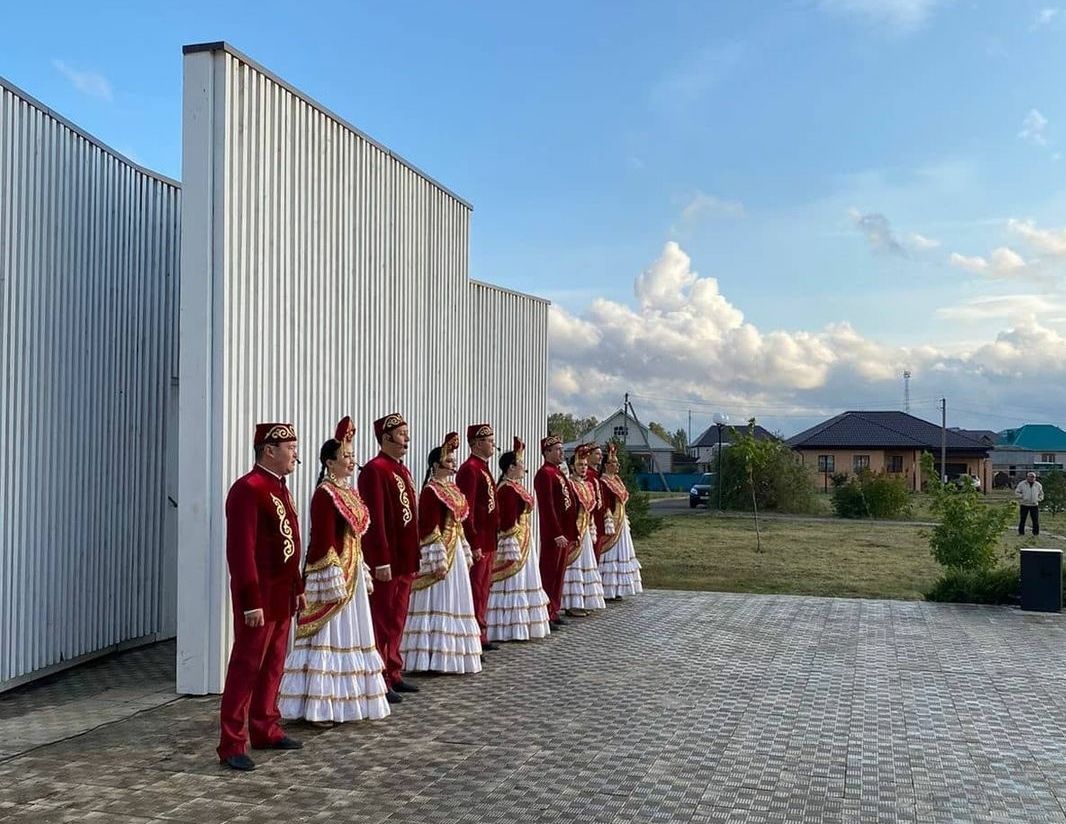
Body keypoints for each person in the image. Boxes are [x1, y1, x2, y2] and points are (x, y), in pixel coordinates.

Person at [278, 416, 390, 727]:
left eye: (353, 456)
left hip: (351, 571)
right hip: (333, 574)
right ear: (330, 462)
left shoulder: (348, 492)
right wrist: (329, 577)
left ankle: (347, 701)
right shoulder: (325, 494)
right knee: (327, 636)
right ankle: (321, 705)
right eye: (346, 457)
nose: (352, 462)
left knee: (351, 633)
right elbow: (323, 539)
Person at [217, 423, 306, 772]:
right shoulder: (248, 489)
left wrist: (297, 589)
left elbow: (291, 546)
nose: (295, 454)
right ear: (269, 449)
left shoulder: (279, 488)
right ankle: (231, 743)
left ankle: (266, 727)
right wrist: (251, 600)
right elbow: (241, 551)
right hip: (260, 598)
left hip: (282, 595)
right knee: (246, 668)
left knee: (273, 666)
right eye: (290, 447)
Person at [400, 433, 483, 674]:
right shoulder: (431, 490)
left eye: (454, 460)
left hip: (454, 546)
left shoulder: (453, 490)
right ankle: (429, 656)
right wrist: (437, 556)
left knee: (456, 597)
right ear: (437, 464)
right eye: (449, 460)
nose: (453, 463)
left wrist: (464, 546)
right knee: (436, 598)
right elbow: (429, 526)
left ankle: (451, 655)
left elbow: (459, 522)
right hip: (441, 550)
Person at [358, 413, 421, 703]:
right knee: (382, 619)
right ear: (386, 437)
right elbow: (376, 519)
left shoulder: (401, 469)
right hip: (388, 560)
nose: (406, 438)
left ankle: (394, 671)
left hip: (406, 558)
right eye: (401, 434)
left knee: (397, 618)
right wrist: (380, 560)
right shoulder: (374, 470)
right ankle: (381, 676)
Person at [487, 437, 551, 642]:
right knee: (512, 581)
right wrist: (510, 540)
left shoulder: (514, 487)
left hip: (525, 536)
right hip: (514, 539)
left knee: (524, 579)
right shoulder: (506, 488)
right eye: (521, 464)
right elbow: (506, 519)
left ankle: (520, 625)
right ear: (511, 467)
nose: (524, 468)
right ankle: (507, 628)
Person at [456, 423, 500, 650]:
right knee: (475, 589)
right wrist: (473, 541)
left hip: (489, 539)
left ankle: (481, 633)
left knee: (484, 588)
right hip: (479, 540)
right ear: (478, 443)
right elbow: (468, 509)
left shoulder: (483, 467)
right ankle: (474, 637)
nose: (493, 444)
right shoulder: (470, 469)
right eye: (490, 440)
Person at [534, 434, 576, 628]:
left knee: (559, 573)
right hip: (554, 534)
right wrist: (556, 532)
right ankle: (546, 611)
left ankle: (554, 609)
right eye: (558, 450)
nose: (562, 453)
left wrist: (571, 531)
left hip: (564, 532)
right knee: (549, 573)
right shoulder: (544, 474)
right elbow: (547, 506)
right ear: (547, 452)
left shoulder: (558, 473)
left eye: (562, 449)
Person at [561, 444, 606, 616]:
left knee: (587, 563)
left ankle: (584, 601)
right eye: (580, 465)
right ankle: (572, 603)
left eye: (586, 465)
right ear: (572, 466)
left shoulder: (587, 485)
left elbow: (590, 508)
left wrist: (591, 525)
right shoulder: (570, 484)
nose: (584, 468)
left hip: (585, 528)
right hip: (575, 528)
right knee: (575, 566)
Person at [597, 443, 644, 600]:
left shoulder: (617, 480)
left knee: (622, 552)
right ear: (606, 465)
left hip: (621, 520)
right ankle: (608, 588)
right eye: (614, 463)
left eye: (617, 462)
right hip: (611, 520)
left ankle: (619, 588)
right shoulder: (603, 482)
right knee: (610, 553)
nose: (617, 465)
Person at [1016, 471, 1044, 536]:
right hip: (1024, 504)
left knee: (1035, 520)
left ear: (1035, 478)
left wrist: (1038, 499)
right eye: (1030, 477)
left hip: (1034, 505)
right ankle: (1021, 533)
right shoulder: (1022, 484)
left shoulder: (1038, 485)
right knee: (1022, 519)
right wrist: (1022, 497)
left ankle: (1035, 533)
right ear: (1027, 477)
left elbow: (1041, 494)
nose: (1031, 478)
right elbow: (1017, 492)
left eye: (1033, 477)